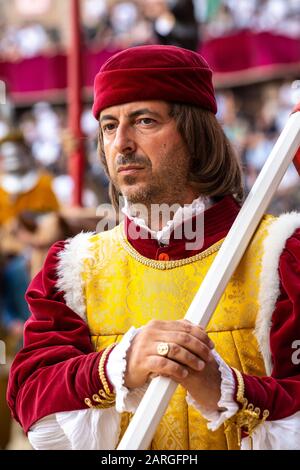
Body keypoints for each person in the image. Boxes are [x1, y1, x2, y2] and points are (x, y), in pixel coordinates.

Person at [7, 45, 300, 450]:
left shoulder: (282, 255)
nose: (121, 143)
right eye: (109, 126)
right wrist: (112, 368)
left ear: (195, 134)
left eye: (144, 121)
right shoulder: (71, 270)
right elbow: (32, 402)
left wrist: (226, 391)